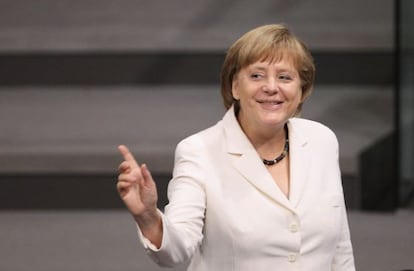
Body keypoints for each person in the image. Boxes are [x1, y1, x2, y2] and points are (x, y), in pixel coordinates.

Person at [117, 24, 356, 270]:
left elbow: (340, 248)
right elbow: (177, 252)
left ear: (301, 89)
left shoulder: (322, 140)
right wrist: (148, 218)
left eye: (284, 77)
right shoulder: (199, 151)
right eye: (257, 75)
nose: (271, 87)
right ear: (234, 86)